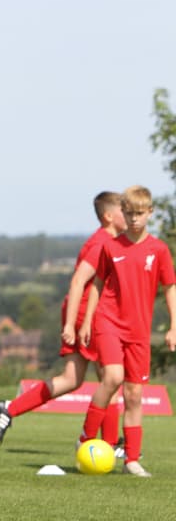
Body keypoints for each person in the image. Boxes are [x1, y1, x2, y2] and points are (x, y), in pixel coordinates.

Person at [0, 192, 126, 445]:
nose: (129, 215)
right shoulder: (101, 243)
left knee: (71, 379)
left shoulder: (107, 241)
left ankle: (9, 409)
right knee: (110, 379)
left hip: (85, 314)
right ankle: (110, 443)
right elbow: (78, 281)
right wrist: (72, 323)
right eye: (124, 210)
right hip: (90, 316)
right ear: (108, 216)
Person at [77, 185, 176, 477]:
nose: (134, 220)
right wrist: (86, 322)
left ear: (150, 213)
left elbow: (170, 287)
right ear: (123, 212)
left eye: (139, 214)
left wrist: (173, 326)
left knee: (134, 395)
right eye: (129, 214)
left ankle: (131, 459)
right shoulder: (111, 246)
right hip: (108, 321)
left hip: (139, 331)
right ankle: (86, 437)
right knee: (113, 378)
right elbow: (96, 284)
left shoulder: (158, 250)